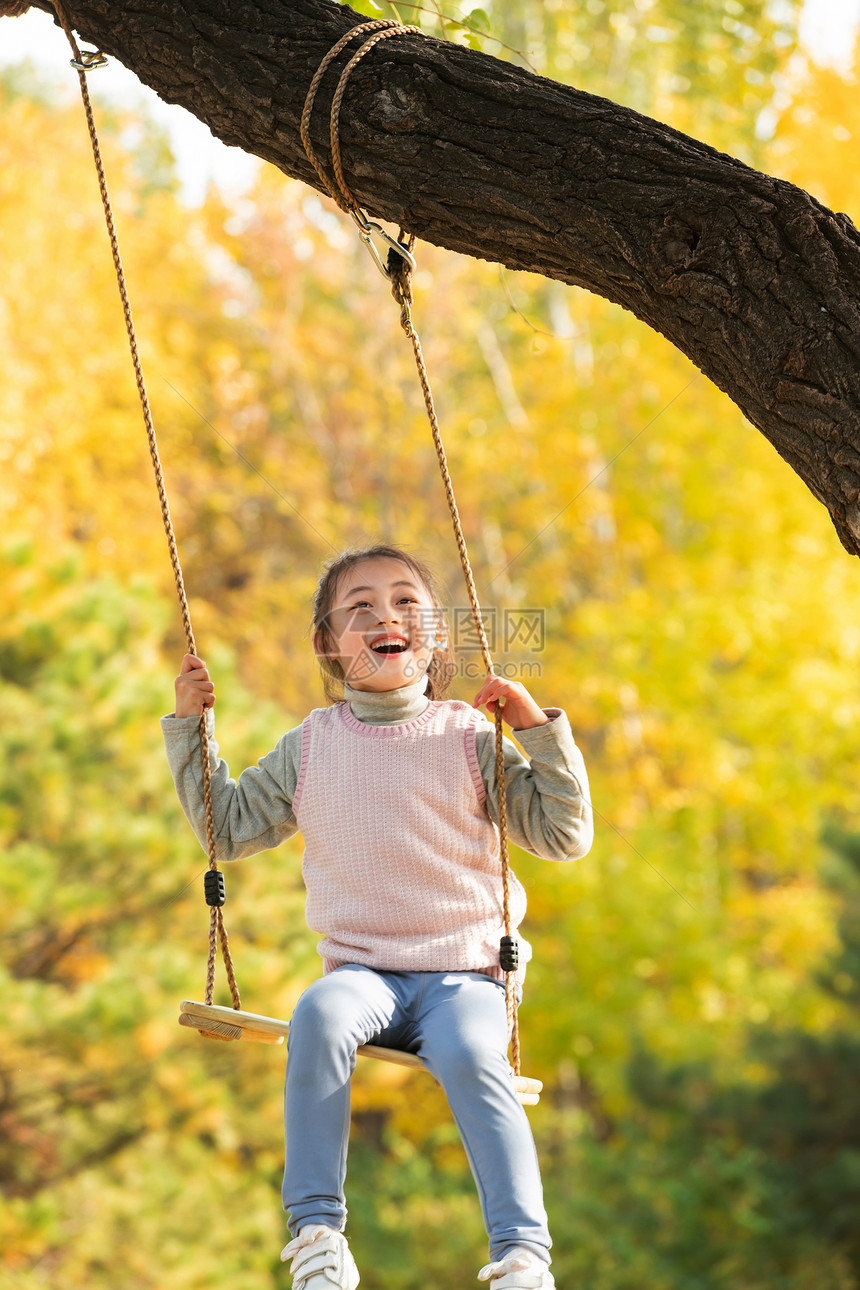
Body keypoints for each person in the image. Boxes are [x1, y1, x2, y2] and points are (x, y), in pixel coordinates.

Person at [162, 544, 593, 1290]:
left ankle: (524, 1254)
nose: (385, 617)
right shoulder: (312, 747)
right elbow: (225, 828)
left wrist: (535, 729)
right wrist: (190, 727)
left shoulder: (467, 735)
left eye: (404, 603)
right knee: (319, 1016)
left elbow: (563, 834)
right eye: (358, 609)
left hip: (466, 978)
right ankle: (319, 1237)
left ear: (435, 638)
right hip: (364, 974)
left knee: (468, 1054)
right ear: (331, 647)